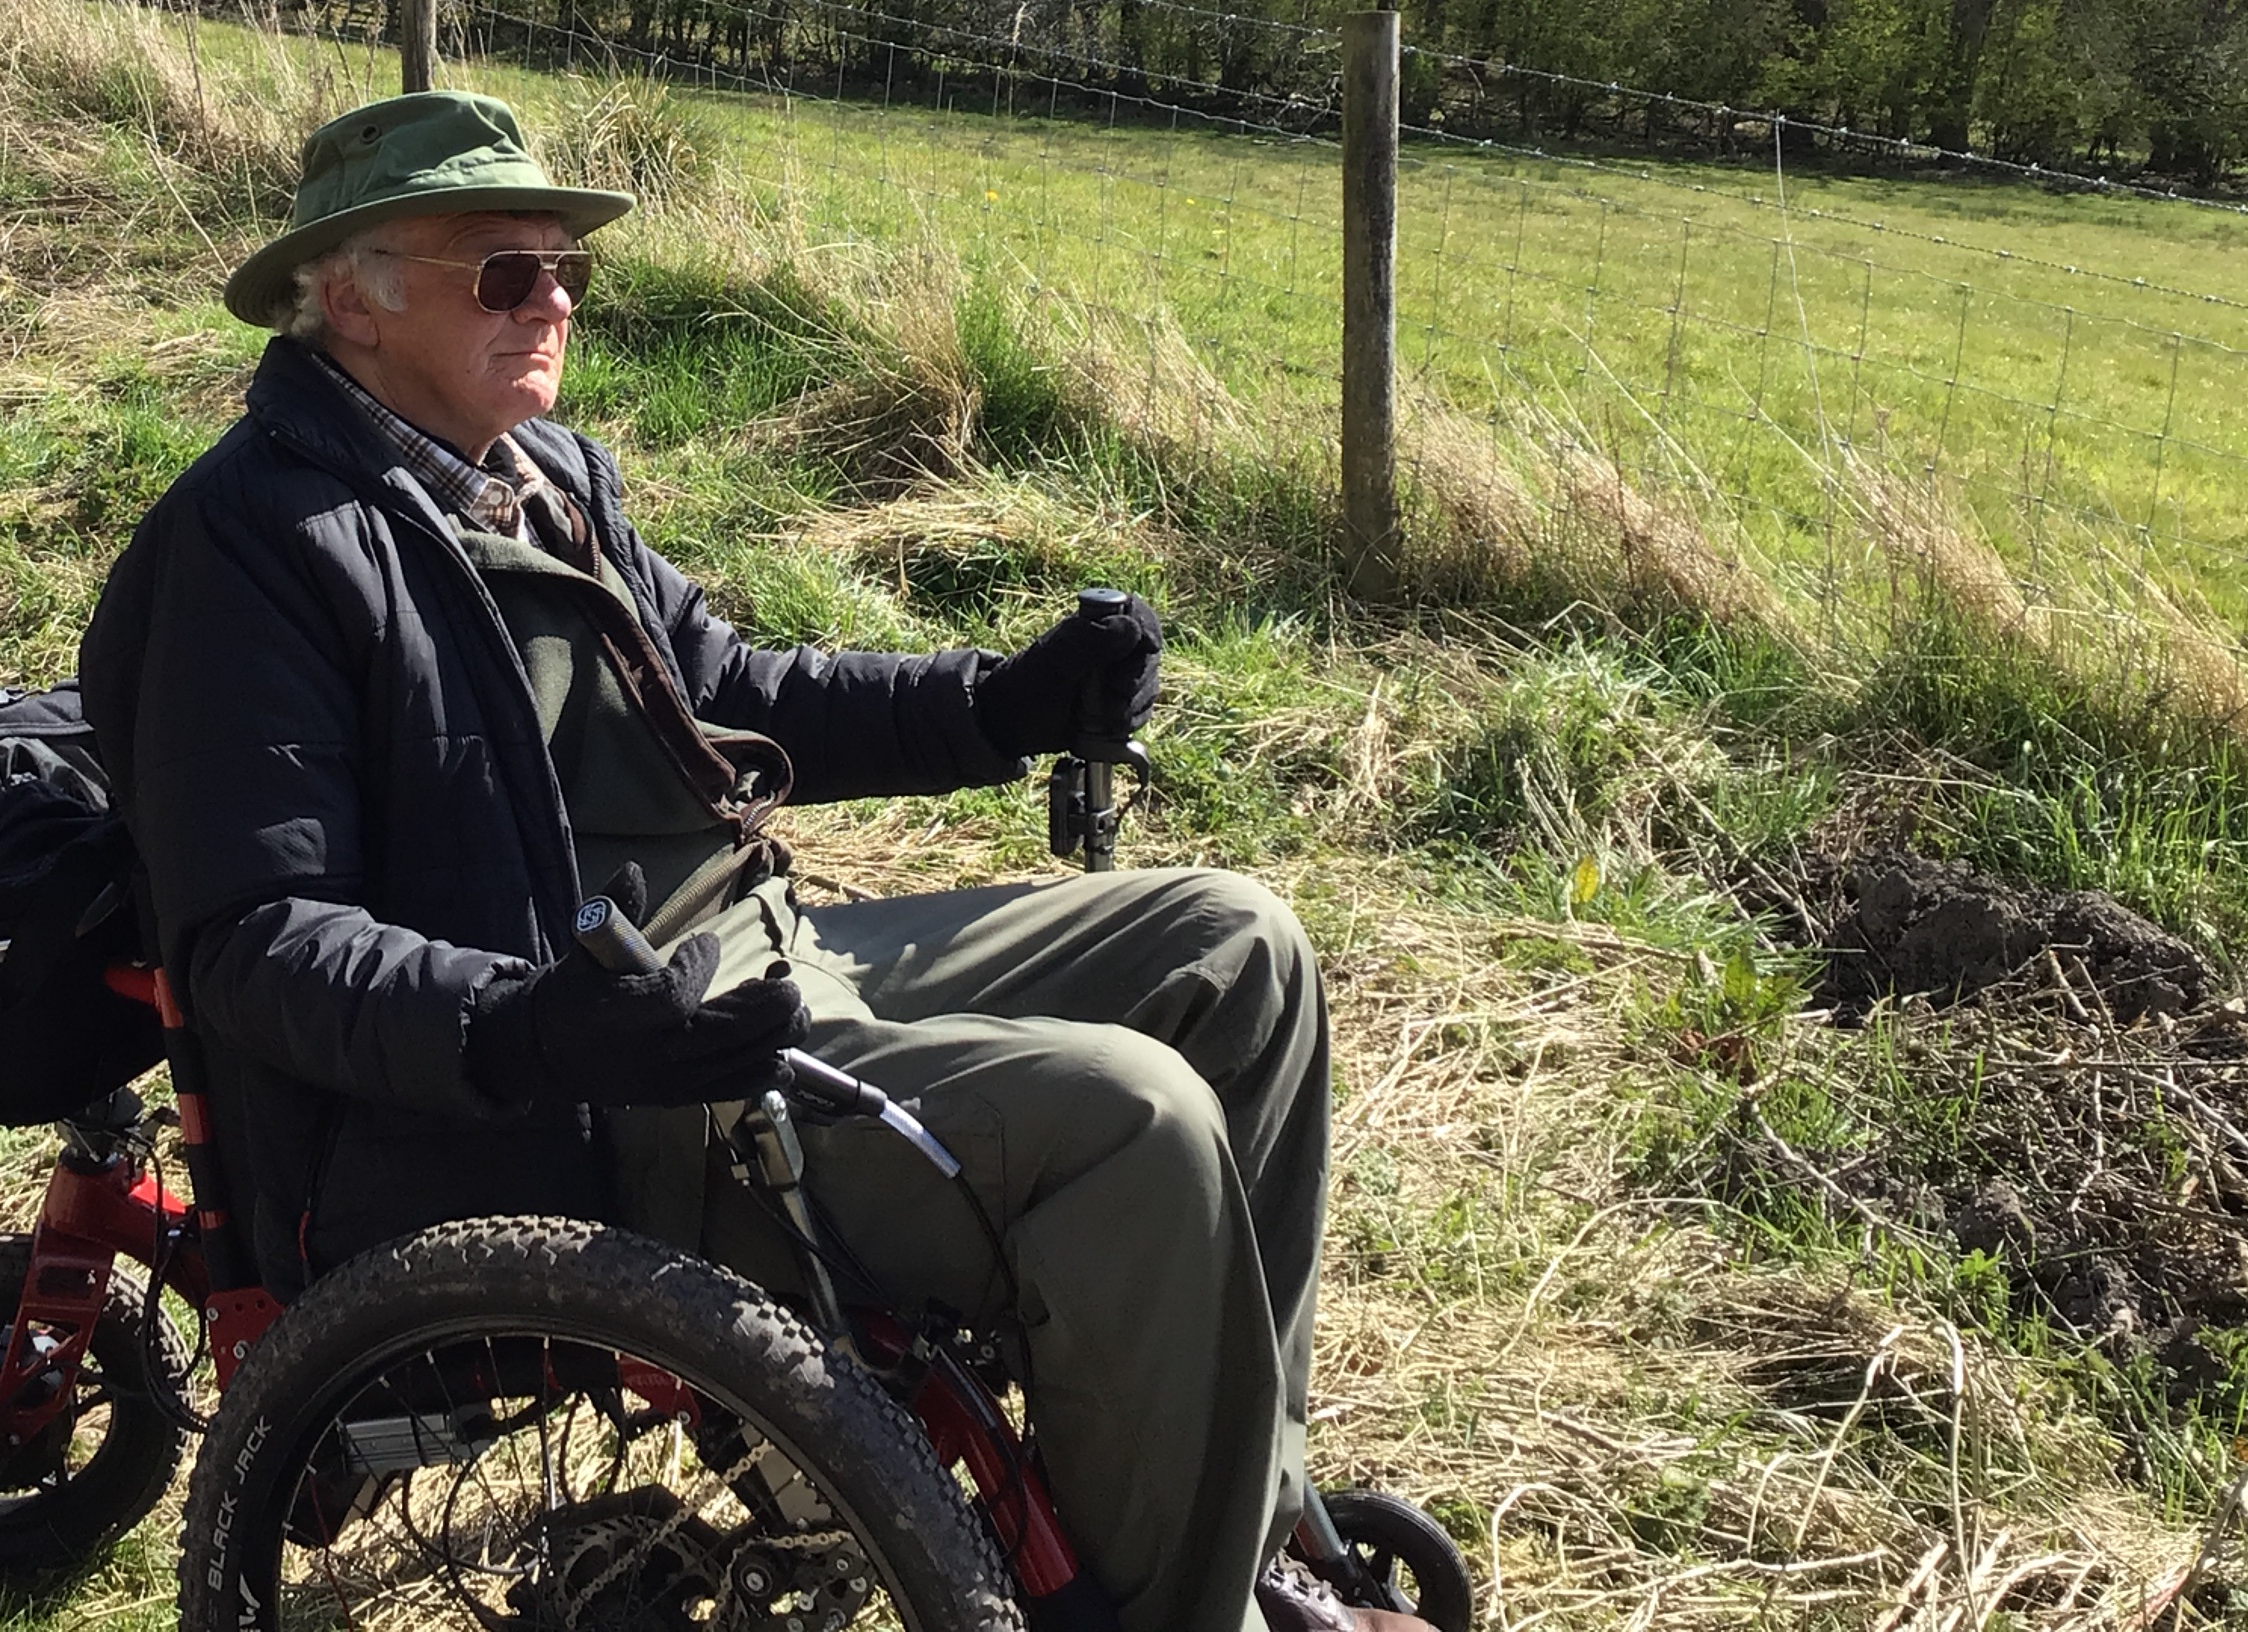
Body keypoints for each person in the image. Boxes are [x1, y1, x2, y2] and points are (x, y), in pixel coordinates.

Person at [79, 90, 1381, 1632]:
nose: (554, 298)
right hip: (592, 1097)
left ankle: (1241, 1509)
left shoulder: (538, 472)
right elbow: (255, 939)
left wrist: (998, 704)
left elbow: (733, 696)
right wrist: (526, 1025)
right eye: (505, 272)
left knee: (1237, 946)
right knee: (1131, 1120)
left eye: (567, 267)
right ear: (352, 300)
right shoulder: (251, 550)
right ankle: (1169, 1610)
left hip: (752, 961)